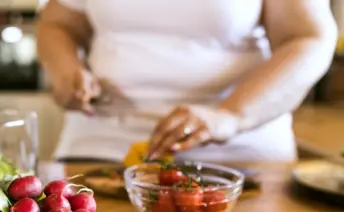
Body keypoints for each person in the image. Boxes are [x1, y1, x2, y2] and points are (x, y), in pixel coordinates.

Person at [37, 0, 337, 163]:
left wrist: (230, 115)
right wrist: (66, 71)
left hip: (239, 159)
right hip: (98, 149)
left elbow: (308, 38)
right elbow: (57, 24)